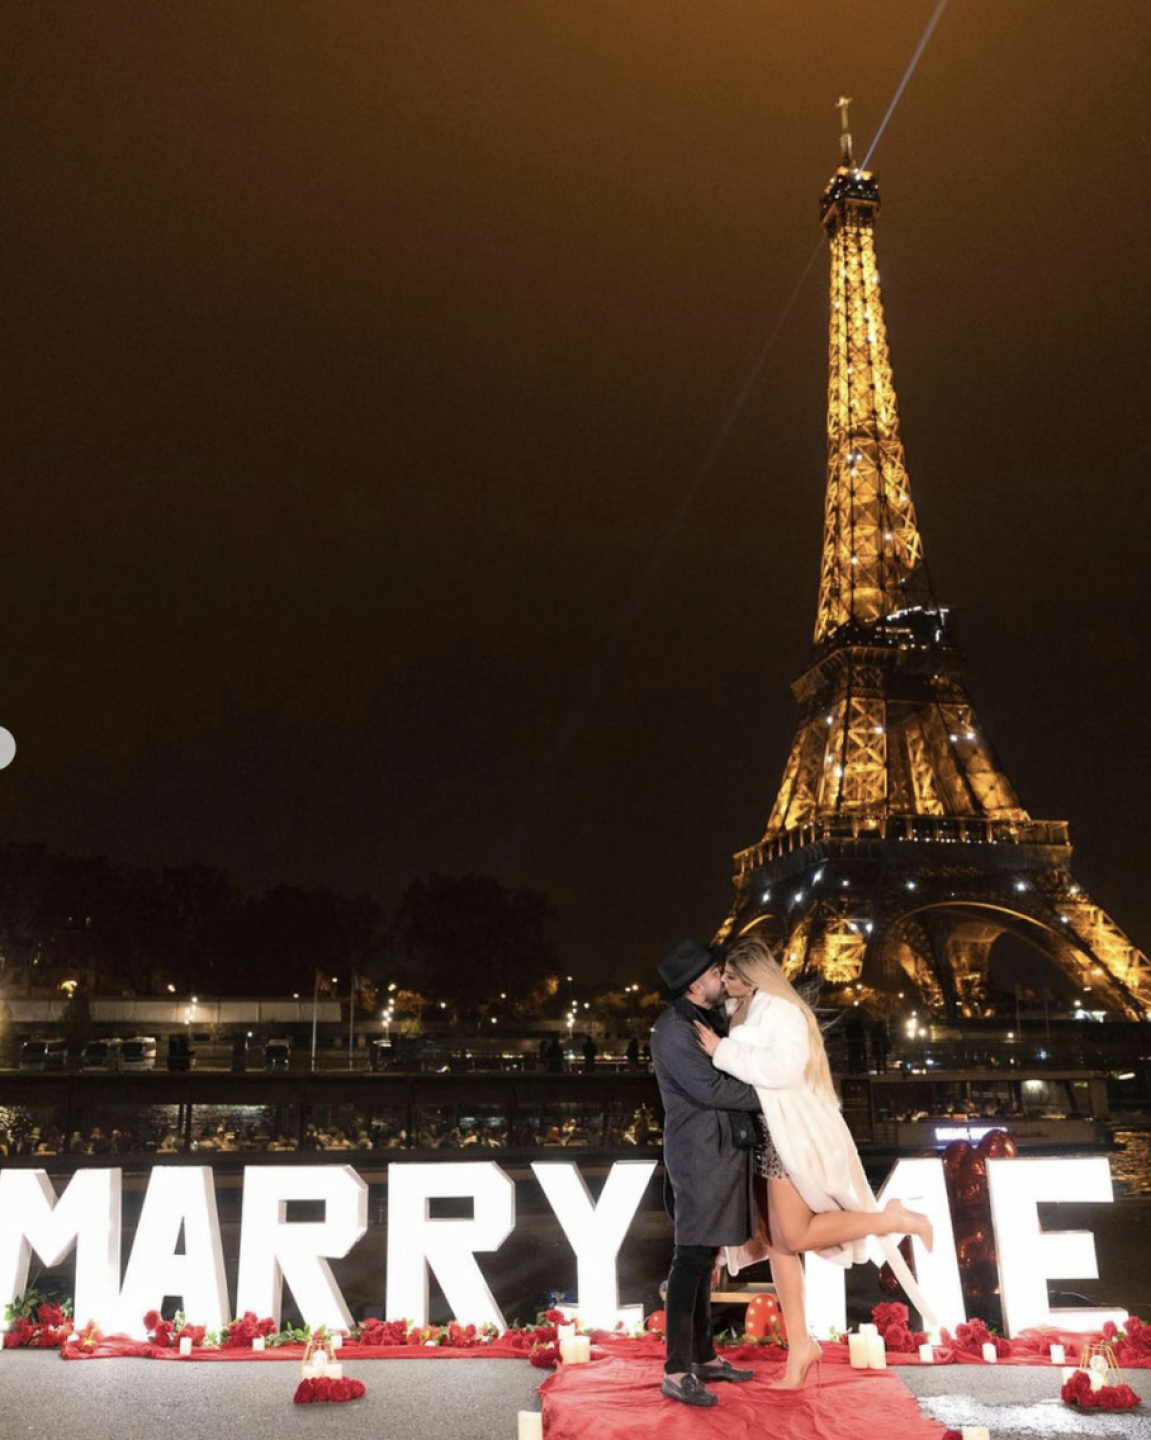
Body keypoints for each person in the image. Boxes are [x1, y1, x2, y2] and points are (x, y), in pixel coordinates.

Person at [695, 934, 936, 1390]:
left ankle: (890, 1219)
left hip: (791, 1135)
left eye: (729, 974)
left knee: (794, 1235)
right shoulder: (737, 1008)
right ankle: (800, 1346)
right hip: (764, 1136)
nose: (723, 979)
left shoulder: (783, 1010)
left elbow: (785, 1070)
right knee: (780, 1247)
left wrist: (721, 1053)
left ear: (752, 975)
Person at [651, 939, 764, 1409]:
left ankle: (701, 1356)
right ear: (697, 984)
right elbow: (710, 1088)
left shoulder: (699, 1020)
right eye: (716, 972)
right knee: (691, 1259)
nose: (723, 977)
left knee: (702, 1259)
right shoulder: (675, 1030)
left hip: (714, 1153)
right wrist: (771, 1090)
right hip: (700, 1157)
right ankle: (677, 1369)